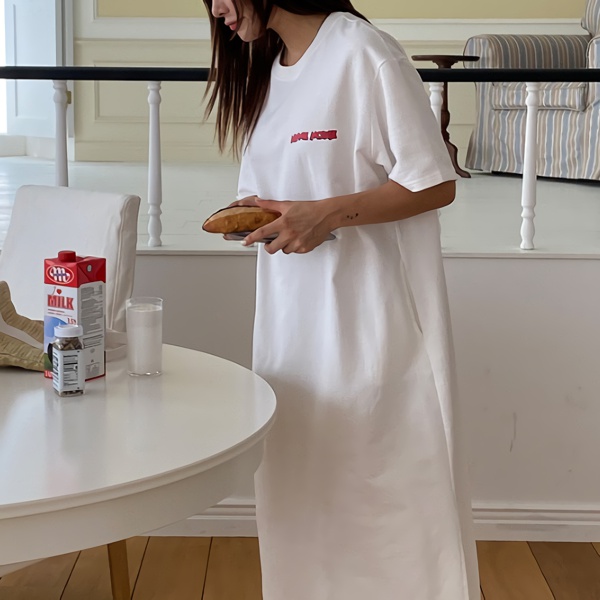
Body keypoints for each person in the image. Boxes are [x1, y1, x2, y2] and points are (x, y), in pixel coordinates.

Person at [203, 1, 480, 598]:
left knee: (387, 505)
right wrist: (264, 215)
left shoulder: (363, 53)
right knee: (302, 499)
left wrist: (325, 214)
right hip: (289, 334)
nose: (217, 8)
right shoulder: (268, 69)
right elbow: (285, 189)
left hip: (373, 332)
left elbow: (434, 182)